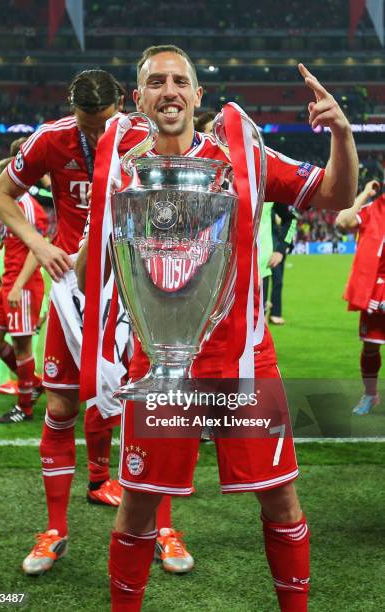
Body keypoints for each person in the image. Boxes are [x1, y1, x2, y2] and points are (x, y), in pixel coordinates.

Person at [80, 45, 358, 611]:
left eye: (180, 80)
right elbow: (97, 264)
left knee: (279, 498)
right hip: (159, 363)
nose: (169, 91)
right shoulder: (123, 170)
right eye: (155, 82)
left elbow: (336, 194)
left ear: (197, 95)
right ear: (138, 99)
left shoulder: (242, 159)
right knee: (138, 504)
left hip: (242, 360)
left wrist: (342, 136)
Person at [0, 69, 192, 576]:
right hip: (73, 294)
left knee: (149, 408)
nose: (99, 135)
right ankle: (54, 529)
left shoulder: (150, 138)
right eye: (88, 124)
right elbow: (1, 195)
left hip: (136, 290)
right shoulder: (52, 139)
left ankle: (163, 529)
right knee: (59, 404)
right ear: (70, 107)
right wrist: (40, 243)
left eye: (105, 122)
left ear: (122, 104)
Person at [0, 157, 48, 424]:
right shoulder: (8, 206)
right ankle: (32, 382)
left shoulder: (27, 207)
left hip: (22, 285)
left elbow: (39, 247)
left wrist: (18, 285)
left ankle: (24, 407)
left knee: (22, 346)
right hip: (8, 283)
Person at [336, 178, 384, 415]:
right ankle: (370, 395)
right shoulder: (373, 210)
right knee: (371, 347)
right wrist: (364, 194)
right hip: (376, 290)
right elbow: (342, 222)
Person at [260, 203, 297, 324]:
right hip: (233, 263)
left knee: (278, 281)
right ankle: (269, 308)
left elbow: (291, 219)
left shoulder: (269, 193)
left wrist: (281, 249)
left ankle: (274, 311)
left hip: (265, 260)